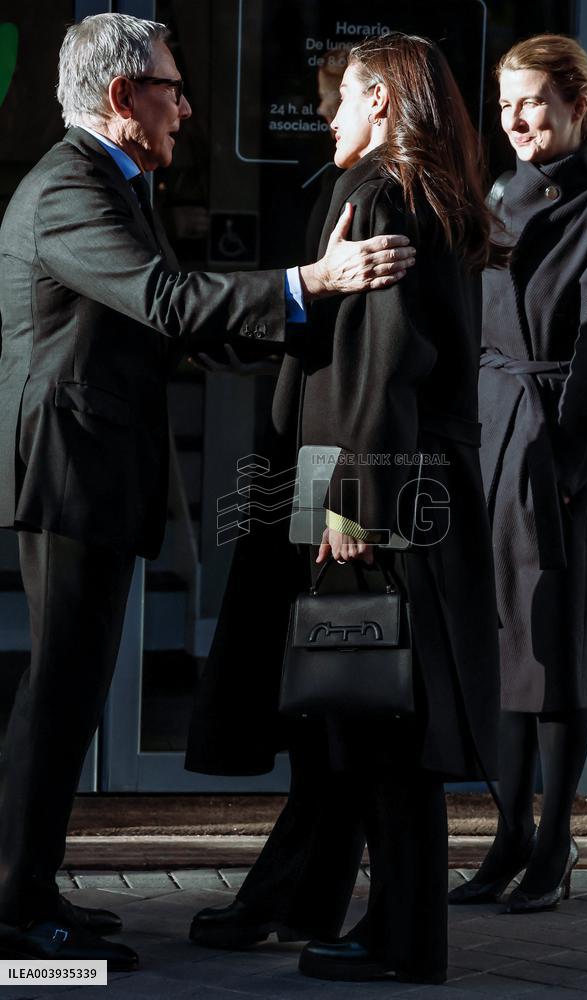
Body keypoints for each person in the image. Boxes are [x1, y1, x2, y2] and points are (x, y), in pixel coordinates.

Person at [0, 12, 416, 970]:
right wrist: (310, 280)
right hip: (68, 469)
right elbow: (168, 301)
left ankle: (28, 879)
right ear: (121, 96)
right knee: (57, 694)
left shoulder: (113, 180)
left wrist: (297, 323)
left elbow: (173, 324)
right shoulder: (69, 188)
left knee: (68, 692)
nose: (186, 106)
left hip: (93, 467)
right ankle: (17, 918)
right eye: (172, 87)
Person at [186, 33, 501, 984]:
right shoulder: (416, 189)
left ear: (382, 102)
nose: (326, 117)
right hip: (374, 478)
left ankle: (404, 941)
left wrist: (348, 506)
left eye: (340, 98)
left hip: (368, 491)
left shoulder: (379, 192)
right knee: (348, 713)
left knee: (374, 720)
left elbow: (380, 364)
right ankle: (301, 900)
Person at [449, 34, 587, 914]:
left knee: (555, 650)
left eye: (531, 101)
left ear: (576, 104)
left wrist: (563, 472)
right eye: (504, 105)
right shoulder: (492, 197)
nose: (516, 120)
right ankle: (504, 839)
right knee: (502, 646)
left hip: (558, 447)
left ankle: (554, 842)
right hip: (493, 438)